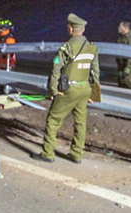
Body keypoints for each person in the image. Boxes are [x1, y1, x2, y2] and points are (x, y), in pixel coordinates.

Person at [32, 13, 100, 164]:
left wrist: (53, 90)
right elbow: (95, 71)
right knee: (80, 122)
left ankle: (48, 153)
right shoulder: (92, 47)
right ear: (82, 30)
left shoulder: (67, 47)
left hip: (69, 88)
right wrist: (94, 94)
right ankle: (77, 154)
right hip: (84, 89)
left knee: (53, 119)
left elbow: (56, 68)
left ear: (70, 29)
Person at [116, 20, 131, 88]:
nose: (118, 28)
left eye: (120, 26)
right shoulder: (122, 38)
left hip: (126, 68)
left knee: (125, 86)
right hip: (121, 67)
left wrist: (127, 69)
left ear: (125, 28)